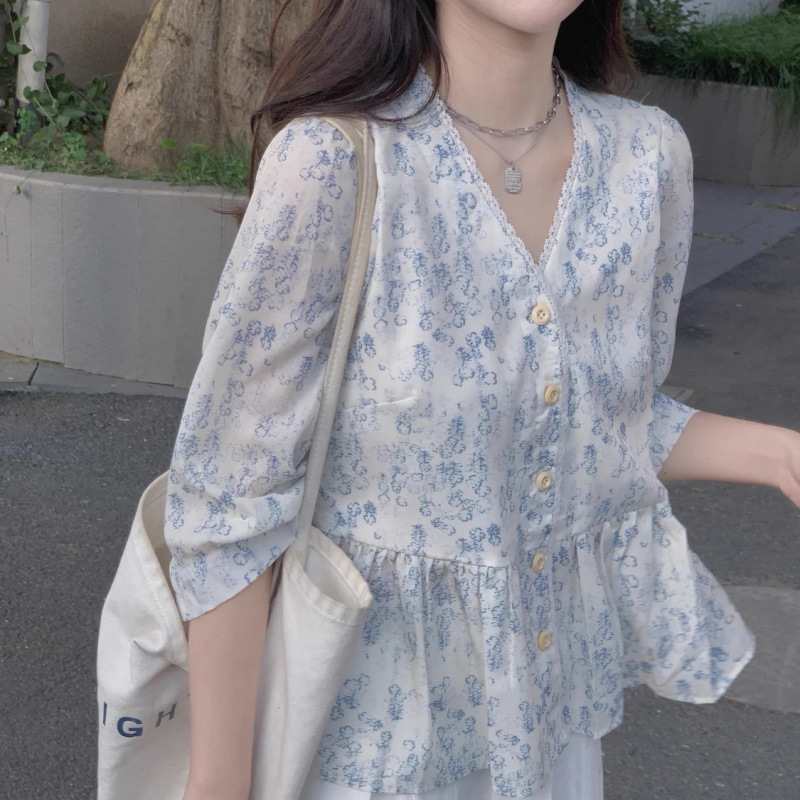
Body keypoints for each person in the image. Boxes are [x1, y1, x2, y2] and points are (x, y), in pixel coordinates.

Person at [164, 0, 800, 798]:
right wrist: (218, 783)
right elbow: (230, 504)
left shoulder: (647, 159)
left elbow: (597, 426)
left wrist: (778, 452)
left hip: (542, 736)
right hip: (360, 744)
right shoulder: (335, 160)